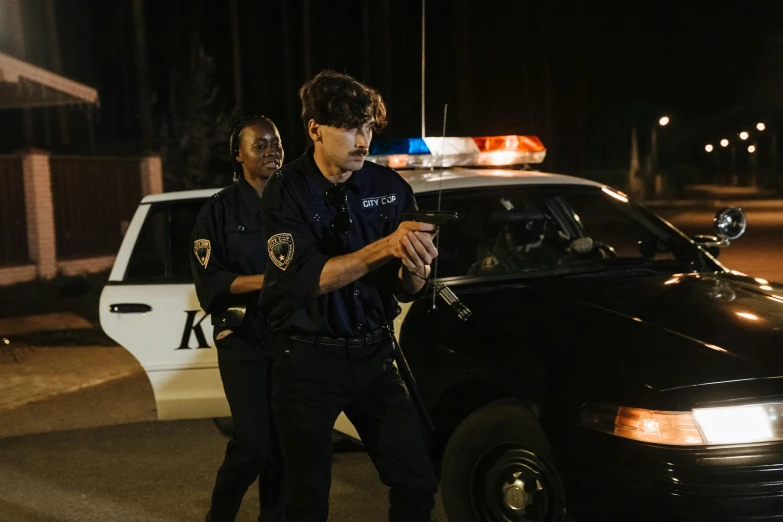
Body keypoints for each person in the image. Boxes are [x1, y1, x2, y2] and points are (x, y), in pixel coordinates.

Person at [259, 70, 439, 521]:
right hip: (306, 362)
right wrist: (387, 245)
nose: (363, 141)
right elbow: (307, 279)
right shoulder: (286, 191)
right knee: (308, 500)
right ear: (315, 129)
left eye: (370, 128)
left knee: (417, 481)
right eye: (350, 128)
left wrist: (418, 266)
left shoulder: (389, 188)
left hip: (374, 355)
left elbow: (408, 286)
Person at [190, 115, 286, 522]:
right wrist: (266, 281)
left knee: (283, 446)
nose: (271, 151)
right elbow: (210, 282)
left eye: (276, 143)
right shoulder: (219, 210)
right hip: (244, 338)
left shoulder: (297, 202)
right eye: (259, 145)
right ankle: (220, 516)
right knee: (253, 444)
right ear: (238, 155)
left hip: (290, 339)